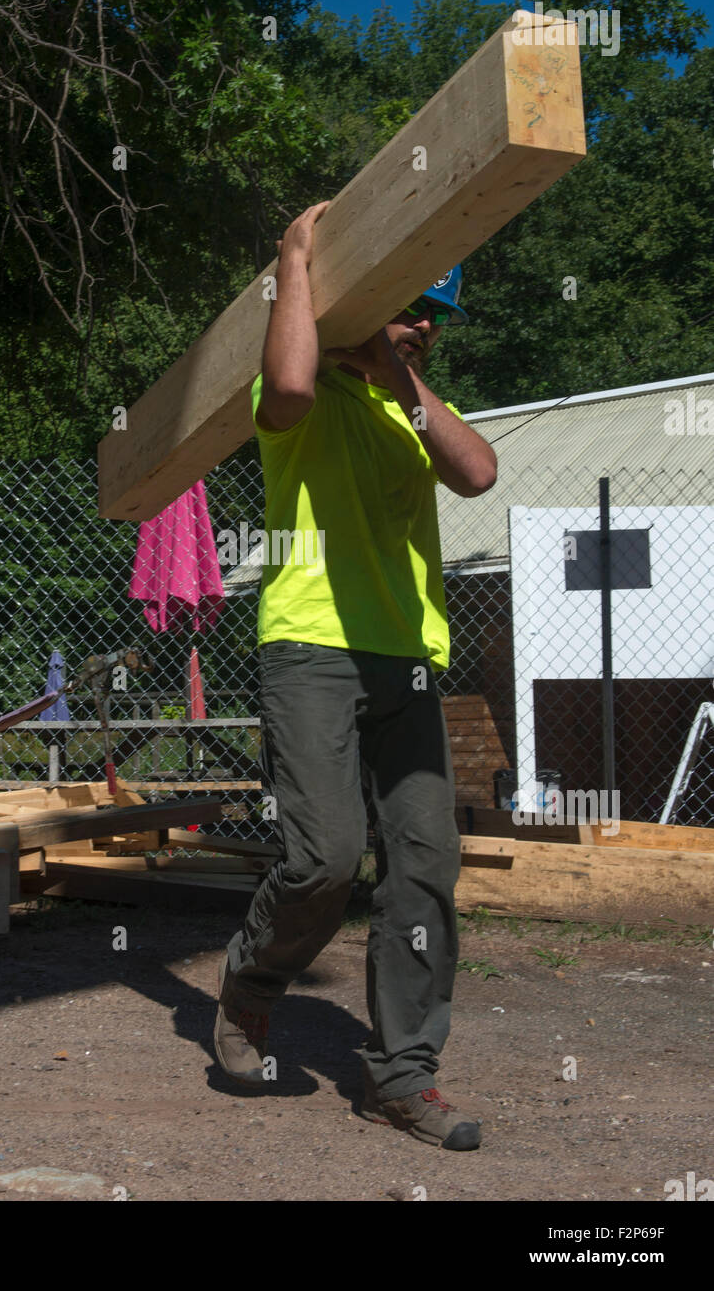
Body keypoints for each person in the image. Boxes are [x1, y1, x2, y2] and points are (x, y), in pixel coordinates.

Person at [213, 201, 497, 1149]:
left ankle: (402, 1076)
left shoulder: (406, 408)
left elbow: (478, 473)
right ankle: (252, 985)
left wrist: (402, 377)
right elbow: (287, 387)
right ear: (362, 302)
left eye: (433, 314)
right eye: (405, 303)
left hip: (406, 657)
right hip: (309, 645)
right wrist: (296, 254)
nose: (419, 322)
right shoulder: (304, 394)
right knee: (323, 857)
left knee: (424, 862)